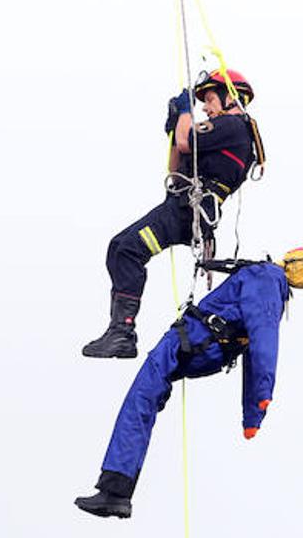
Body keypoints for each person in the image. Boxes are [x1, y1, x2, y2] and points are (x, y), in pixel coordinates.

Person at [74, 240, 303, 519]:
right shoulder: (270, 285)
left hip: (193, 342)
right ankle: (116, 489)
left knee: (142, 396)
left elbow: (263, 344)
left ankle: (115, 491)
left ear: (301, 260)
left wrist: (260, 400)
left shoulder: (267, 279)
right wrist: (252, 415)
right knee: (146, 396)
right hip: (202, 345)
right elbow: (255, 345)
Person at [81, 69, 261, 359]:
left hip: (189, 211)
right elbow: (176, 168)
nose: (206, 107)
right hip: (181, 205)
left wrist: (186, 111)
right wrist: (174, 125)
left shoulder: (234, 125)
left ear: (231, 98)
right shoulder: (223, 132)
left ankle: (122, 333)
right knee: (118, 247)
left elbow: (186, 140)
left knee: (129, 250)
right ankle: (119, 330)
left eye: (211, 99)